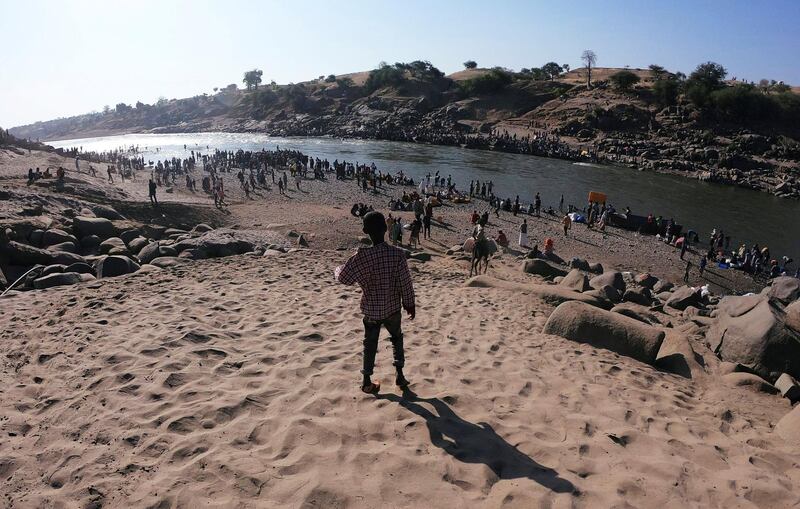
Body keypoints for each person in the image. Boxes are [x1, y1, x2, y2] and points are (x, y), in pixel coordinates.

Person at [335, 211, 415, 394]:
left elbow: (344, 279)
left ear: (365, 231)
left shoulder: (361, 257)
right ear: (386, 229)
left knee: (370, 343)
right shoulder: (397, 254)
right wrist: (410, 304)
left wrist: (338, 269)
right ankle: (400, 375)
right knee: (396, 339)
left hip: (371, 309)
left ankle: (366, 381)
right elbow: (405, 283)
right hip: (393, 308)